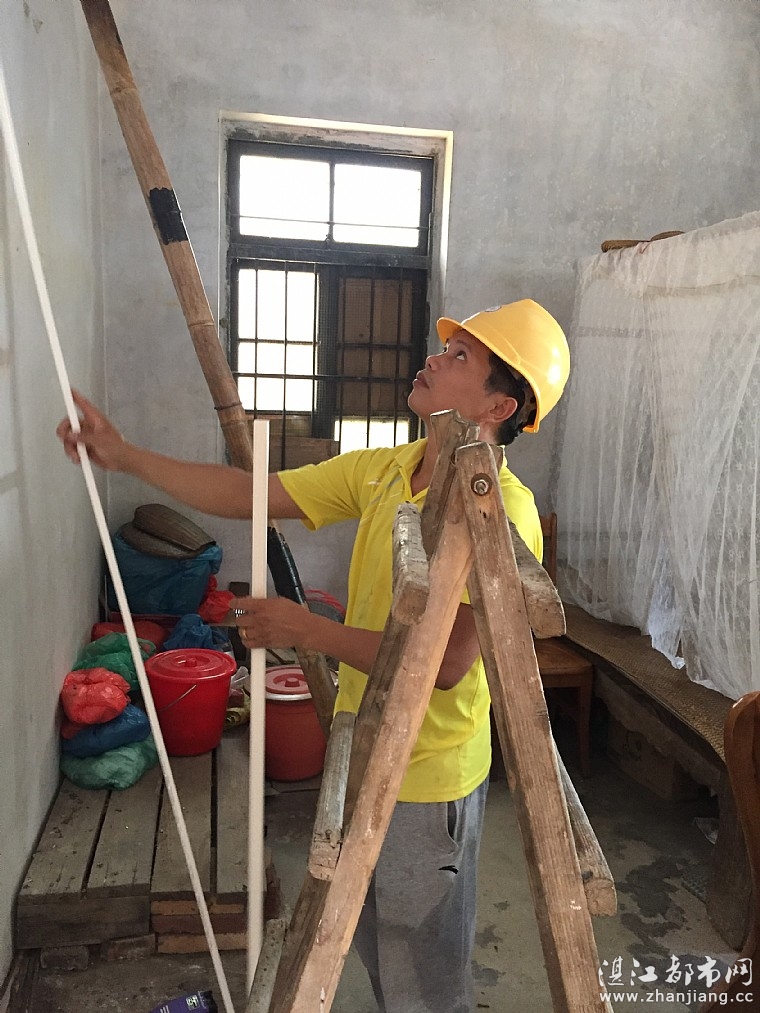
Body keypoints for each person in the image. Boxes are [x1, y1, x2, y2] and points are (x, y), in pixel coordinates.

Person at [57, 297, 570, 1013]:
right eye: (446, 347)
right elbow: (251, 493)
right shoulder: (392, 469)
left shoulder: (501, 511)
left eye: (460, 357)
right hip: (367, 741)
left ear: (499, 405)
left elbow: (446, 664)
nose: (434, 357)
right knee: (376, 946)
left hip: (428, 775)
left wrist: (308, 629)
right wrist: (126, 456)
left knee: (421, 977)